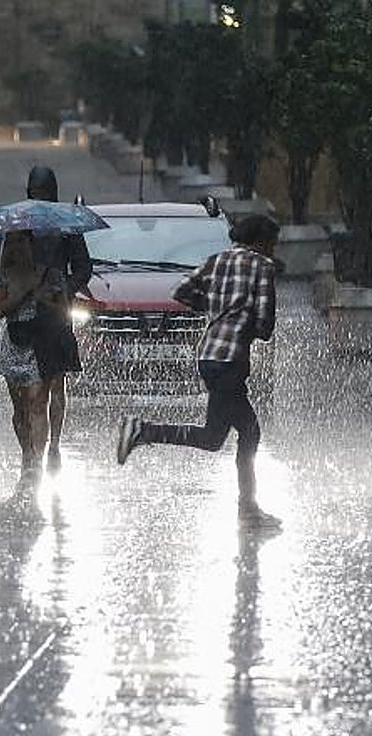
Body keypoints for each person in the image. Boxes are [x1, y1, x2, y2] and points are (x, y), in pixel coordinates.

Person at [114, 213, 282, 530]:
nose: (273, 250)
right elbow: (265, 326)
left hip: (208, 355)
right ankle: (247, 510)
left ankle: (143, 432)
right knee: (248, 431)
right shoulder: (262, 266)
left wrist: (215, 310)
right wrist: (243, 319)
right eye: (272, 243)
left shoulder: (215, 260)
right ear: (261, 242)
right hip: (230, 360)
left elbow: (180, 292)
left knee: (215, 437)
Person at [25, 164, 93, 472]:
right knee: (35, 388)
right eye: (34, 193)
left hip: (58, 314)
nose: (39, 198)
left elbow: (83, 266)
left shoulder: (67, 227)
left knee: (56, 385)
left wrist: (65, 287)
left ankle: (54, 443)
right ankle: (36, 454)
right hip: (29, 313)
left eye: (43, 193)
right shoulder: (21, 225)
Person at [0, 229, 68, 484]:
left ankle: (37, 459)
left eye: (22, 241)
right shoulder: (2, 276)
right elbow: (0, 309)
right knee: (20, 407)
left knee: (37, 402)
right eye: (12, 242)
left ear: (31, 243)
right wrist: (23, 292)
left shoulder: (49, 274)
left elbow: (63, 309)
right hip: (15, 344)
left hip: (41, 343)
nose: (17, 247)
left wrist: (43, 296)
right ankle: (26, 452)